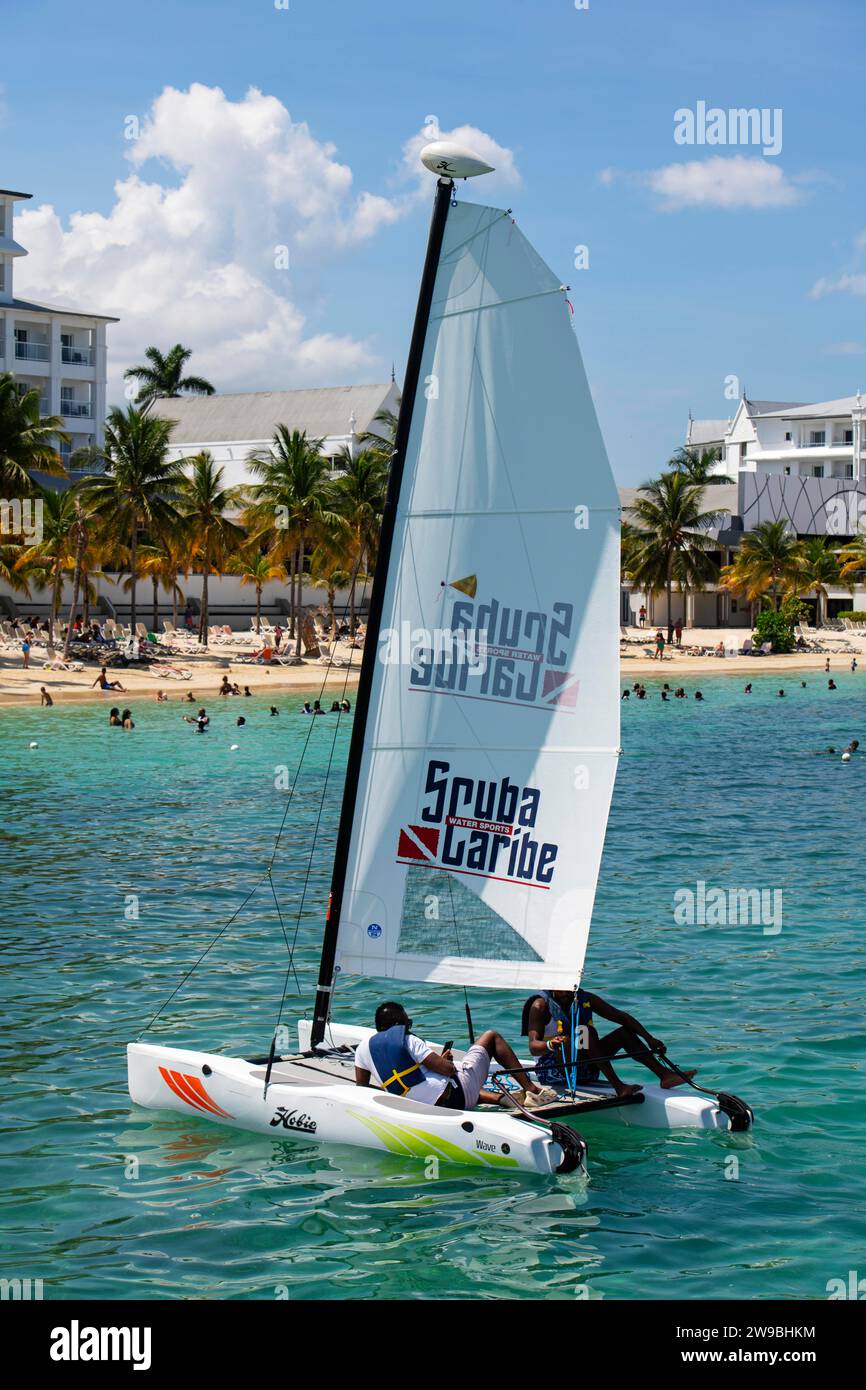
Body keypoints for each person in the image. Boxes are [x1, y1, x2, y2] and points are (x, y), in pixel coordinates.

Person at [354, 1001, 558, 1112]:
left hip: (416, 1107)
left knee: (458, 1078)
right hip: (456, 1100)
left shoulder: (363, 1049)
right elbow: (448, 1070)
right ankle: (532, 1092)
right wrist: (445, 1061)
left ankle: (502, 1099)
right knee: (491, 1037)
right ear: (401, 1024)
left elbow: (362, 1089)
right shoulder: (408, 1040)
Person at [524, 989, 696, 1098]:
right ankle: (619, 1086)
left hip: (585, 1068)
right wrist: (551, 1044)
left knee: (625, 1033)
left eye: (570, 990)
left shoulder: (584, 998)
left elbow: (620, 1016)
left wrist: (649, 1038)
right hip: (555, 1072)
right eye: (561, 991)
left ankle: (665, 1076)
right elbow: (533, 1047)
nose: (566, 995)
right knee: (585, 1033)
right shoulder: (540, 1006)